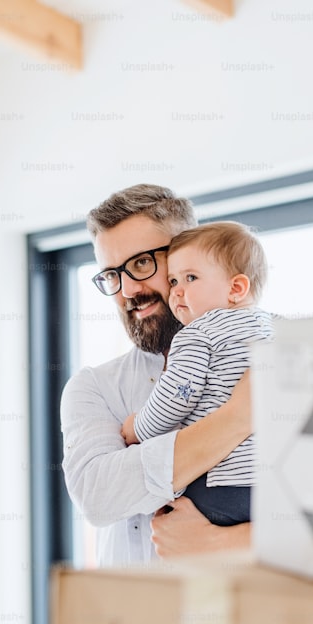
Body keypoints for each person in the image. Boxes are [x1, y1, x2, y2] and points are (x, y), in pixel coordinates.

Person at [60, 184, 253, 565]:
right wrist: (238, 417)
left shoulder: (276, 353)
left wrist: (225, 542)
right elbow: (98, 496)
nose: (129, 290)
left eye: (142, 264)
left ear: (186, 253)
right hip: (140, 619)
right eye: (112, 275)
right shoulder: (94, 388)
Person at [120, 222, 274, 527]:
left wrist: (138, 427)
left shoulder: (198, 333)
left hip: (221, 485)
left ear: (236, 288)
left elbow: (176, 398)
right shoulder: (276, 328)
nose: (176, 292)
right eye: (173, 280)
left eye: (190, 278)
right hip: (275, 483)